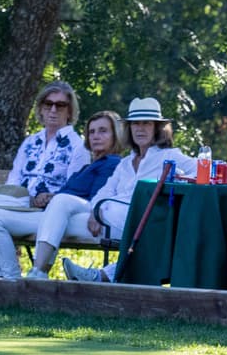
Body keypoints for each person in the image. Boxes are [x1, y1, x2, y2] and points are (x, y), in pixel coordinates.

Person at [0, 81, 89, 275]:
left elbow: (74, 188)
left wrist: (48, 197)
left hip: (45, 211)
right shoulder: (31, 142)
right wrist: (14, 197)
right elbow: (14, 178)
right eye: (48, 104)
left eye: (60, 105)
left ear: (70, 111)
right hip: (18, 204)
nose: (53, 110)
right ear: (41, 108)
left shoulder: (77, 146)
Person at [0, 110, 126, 280]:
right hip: (56, 216)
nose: (95, 136)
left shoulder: (112, 163)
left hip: (86, 221)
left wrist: (58, 199)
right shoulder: (88, 167)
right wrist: (50, 197)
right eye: (91, 132)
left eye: (103, 131)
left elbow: (96, 199)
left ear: (116, 135)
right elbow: (71, 195)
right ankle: (8, 278)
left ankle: (38, 272)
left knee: (61, 201)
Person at [61, 97, 195, 282]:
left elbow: (203, 168)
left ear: (157, 128)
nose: (140, 129)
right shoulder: (124, 163)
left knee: (149, 234)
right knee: (65, 215)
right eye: (135, 124)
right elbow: (104, 191)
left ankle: (97, 276)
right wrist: (95, 211)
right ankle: (93, 276)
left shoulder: (170, 156)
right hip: (111, 218)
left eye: (146, 123)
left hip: (141, 220)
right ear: (129, 129)